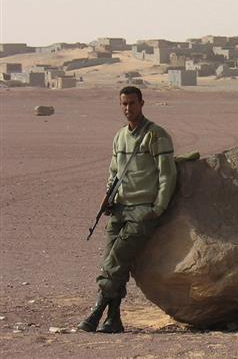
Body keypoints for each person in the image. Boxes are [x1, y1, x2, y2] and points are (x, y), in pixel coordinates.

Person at [78, 86, 177, 333]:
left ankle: (98, 310)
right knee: (111, 262)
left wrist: (158, 208)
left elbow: (168, 175)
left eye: (132, 103)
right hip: (120, 209)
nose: (128, 109)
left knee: (117, 258)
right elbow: (114, 172)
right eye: (123, 104)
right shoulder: (120, 136)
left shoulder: (156, 135)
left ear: (142, 103)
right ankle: (114, 319)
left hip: (143, 210)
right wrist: (108, 197)